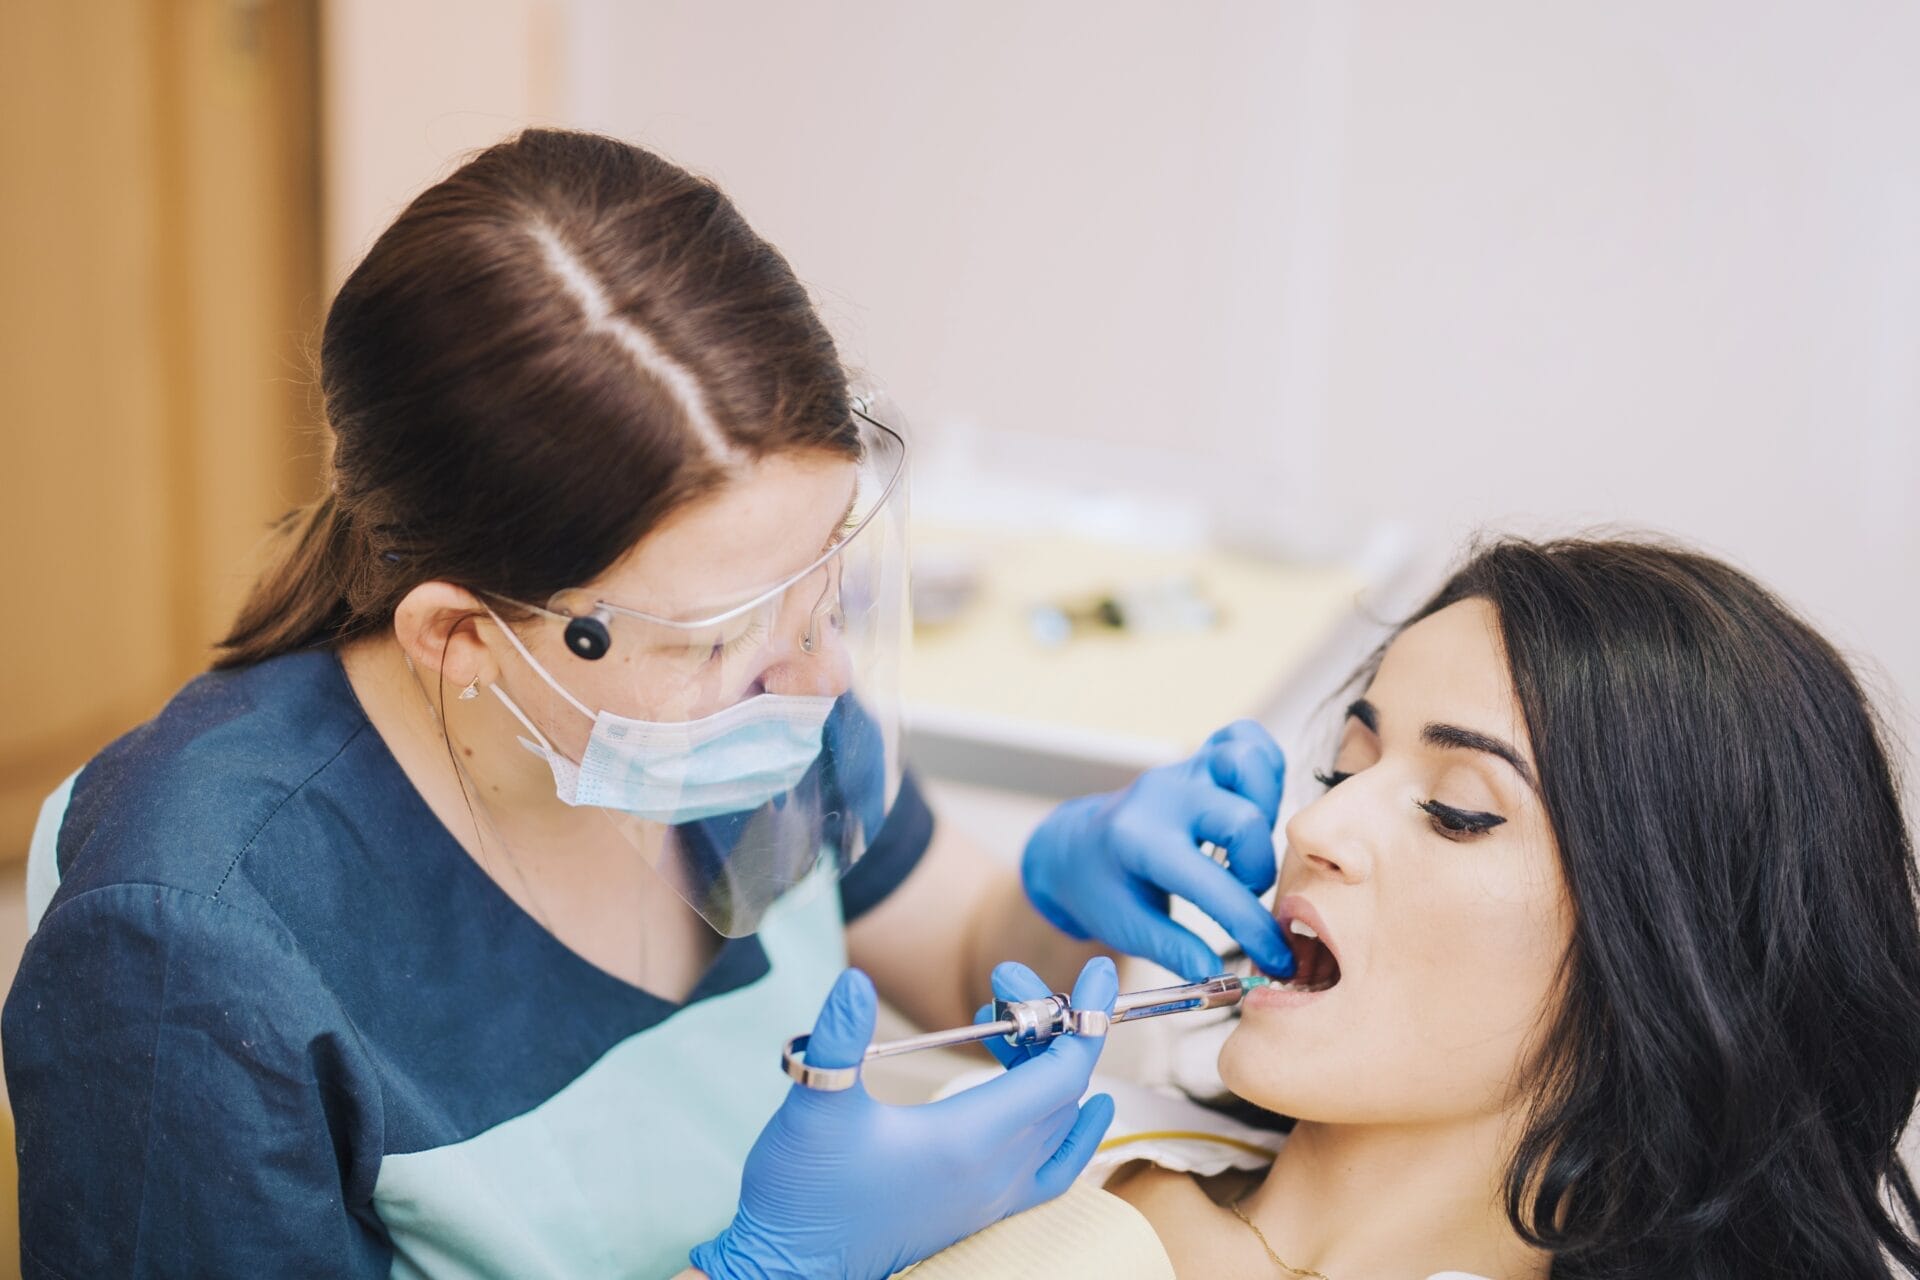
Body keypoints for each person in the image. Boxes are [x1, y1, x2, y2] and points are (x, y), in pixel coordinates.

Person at [1, 129, 1301, 1280]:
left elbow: (959, 948)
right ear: (463, 635)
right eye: (732, 633)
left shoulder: (755, 718)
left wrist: (1058, 900)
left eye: (826, 584)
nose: (822, 676)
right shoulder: (192, 943)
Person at [929, 537, 1920, 1279]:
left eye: (1458, 811)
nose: (1315, 823)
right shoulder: (1019, 1161)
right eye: (1343, 765)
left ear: (1663, 967)